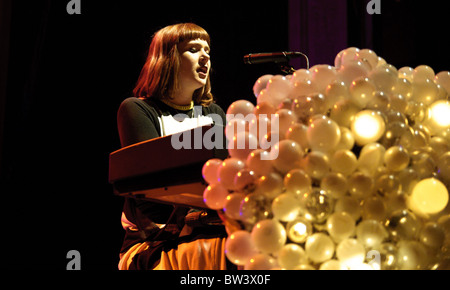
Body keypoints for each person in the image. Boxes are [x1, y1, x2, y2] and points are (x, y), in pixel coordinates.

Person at [116, 23, 233, 270]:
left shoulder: (214, 113)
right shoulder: (138, 110)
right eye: (193, 49)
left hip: (209, 230)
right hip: (154, 242)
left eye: (208, 52)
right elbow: (150, 198)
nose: (205, 58)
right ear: (168, 59)